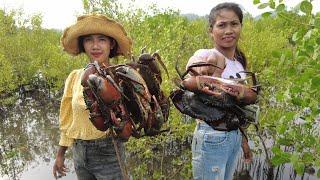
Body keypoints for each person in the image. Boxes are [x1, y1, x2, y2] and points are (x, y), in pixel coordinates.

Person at [52, 14, 132, 180]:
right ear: (83, 45)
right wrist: (60, 154)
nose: (95, 46)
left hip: (109, 153)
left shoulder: (121, 76)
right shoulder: (74, 77)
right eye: (89, 40)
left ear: (111, 44)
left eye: (102, 39)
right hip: (79, 153)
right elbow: (67, 119)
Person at [189, 3, 257, 180]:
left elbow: (239, 108)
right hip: (212, 135)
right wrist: (208, 69)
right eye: (222, 25)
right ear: (211, 30)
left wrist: (243, 142)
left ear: (241, 26)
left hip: (233, 135)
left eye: (234, 24)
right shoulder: (206, 54)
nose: (228, 30)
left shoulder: (239, 64)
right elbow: (193, 65)